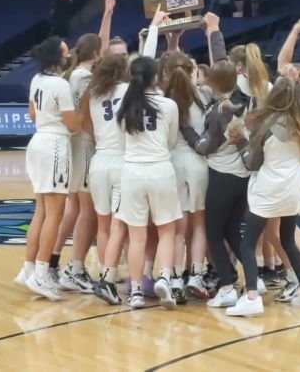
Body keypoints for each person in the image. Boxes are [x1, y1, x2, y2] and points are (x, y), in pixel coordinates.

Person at [226, 76, 300, 316]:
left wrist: (240, 142)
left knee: (247, 244)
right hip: (295, 187)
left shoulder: (264, 127)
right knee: (287, 240)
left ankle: (251, 297)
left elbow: (251, 163)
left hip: (270, 188)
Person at [14, 36, 79, 300]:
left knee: (41, 210)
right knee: (55, 213)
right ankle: (42, 274)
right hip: (54, 145)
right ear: (58, 57)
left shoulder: (36, 80)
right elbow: (73, 124)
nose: (69, 54)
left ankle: (28, 269)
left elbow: (32, 113)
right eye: (65, 51)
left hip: (37, 141)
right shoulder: (60, 84)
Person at [181, 59, 250, 309]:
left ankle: (228, 286)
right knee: (233, 231)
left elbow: (203, 147)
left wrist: (186, 130)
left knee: (213, 233)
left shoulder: (217, 113)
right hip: (242, 175)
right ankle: (254, 280)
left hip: (223, 176)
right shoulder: (243, 99)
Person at [116, 56, 182, 310]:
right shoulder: (169, 105)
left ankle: (135, 292)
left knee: (137, 237)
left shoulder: (125, 106)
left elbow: (123, 143)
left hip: (132, 171)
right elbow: (172, 140)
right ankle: (164, 276)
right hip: (160, 170)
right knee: (166, 230)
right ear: (156, 77)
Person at [79, 54, 129, 305]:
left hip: (99, 162)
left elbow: (85, 127)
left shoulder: (93, 94)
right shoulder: (129, 89)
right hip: (122, 161)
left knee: (104, 226)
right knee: (122, 226)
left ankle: (105, 272)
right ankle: (112, 275)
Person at [58, 33, 102, 293]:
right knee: (89, 211)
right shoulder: (84, 77)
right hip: (85, 144)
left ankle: (55, 262)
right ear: (96, 54)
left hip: (74, 146)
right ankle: (74, 268)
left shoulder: (72, 74)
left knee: (76, 208)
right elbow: (84, 116)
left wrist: (107, 14)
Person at [164, 52, 210, 302]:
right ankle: (196, 274)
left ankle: (174, 276)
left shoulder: (163, 100)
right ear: (193, 72)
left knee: (178, 228)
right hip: (198, 163)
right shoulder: (203, 96)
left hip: (173, 163)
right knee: (199, 224)